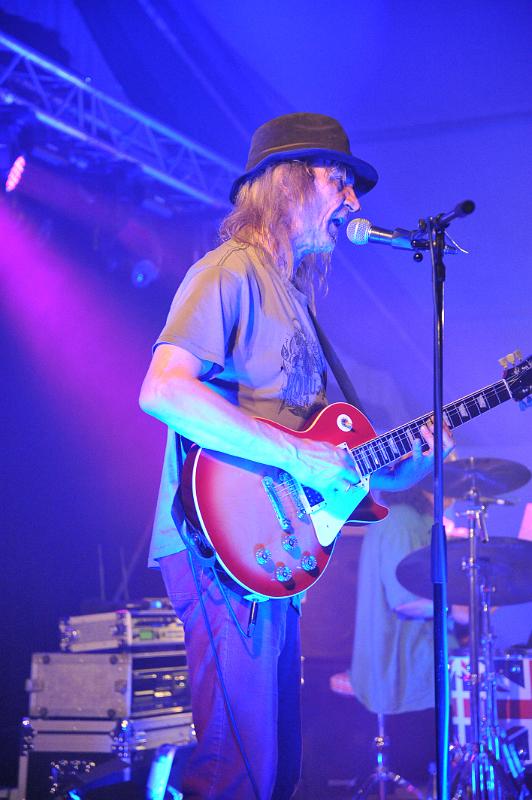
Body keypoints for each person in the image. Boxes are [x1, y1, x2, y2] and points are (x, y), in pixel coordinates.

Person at [139, 112, 453, 800]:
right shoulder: (228, 270)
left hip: (271, 551)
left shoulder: (297, 298)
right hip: (217, 545)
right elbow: (163, 389)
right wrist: (298, 455)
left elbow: (330, 462)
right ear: (289, 181)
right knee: (237, 765)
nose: (353, 200)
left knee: (275, 767)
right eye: (340, 179)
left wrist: (414, 461)